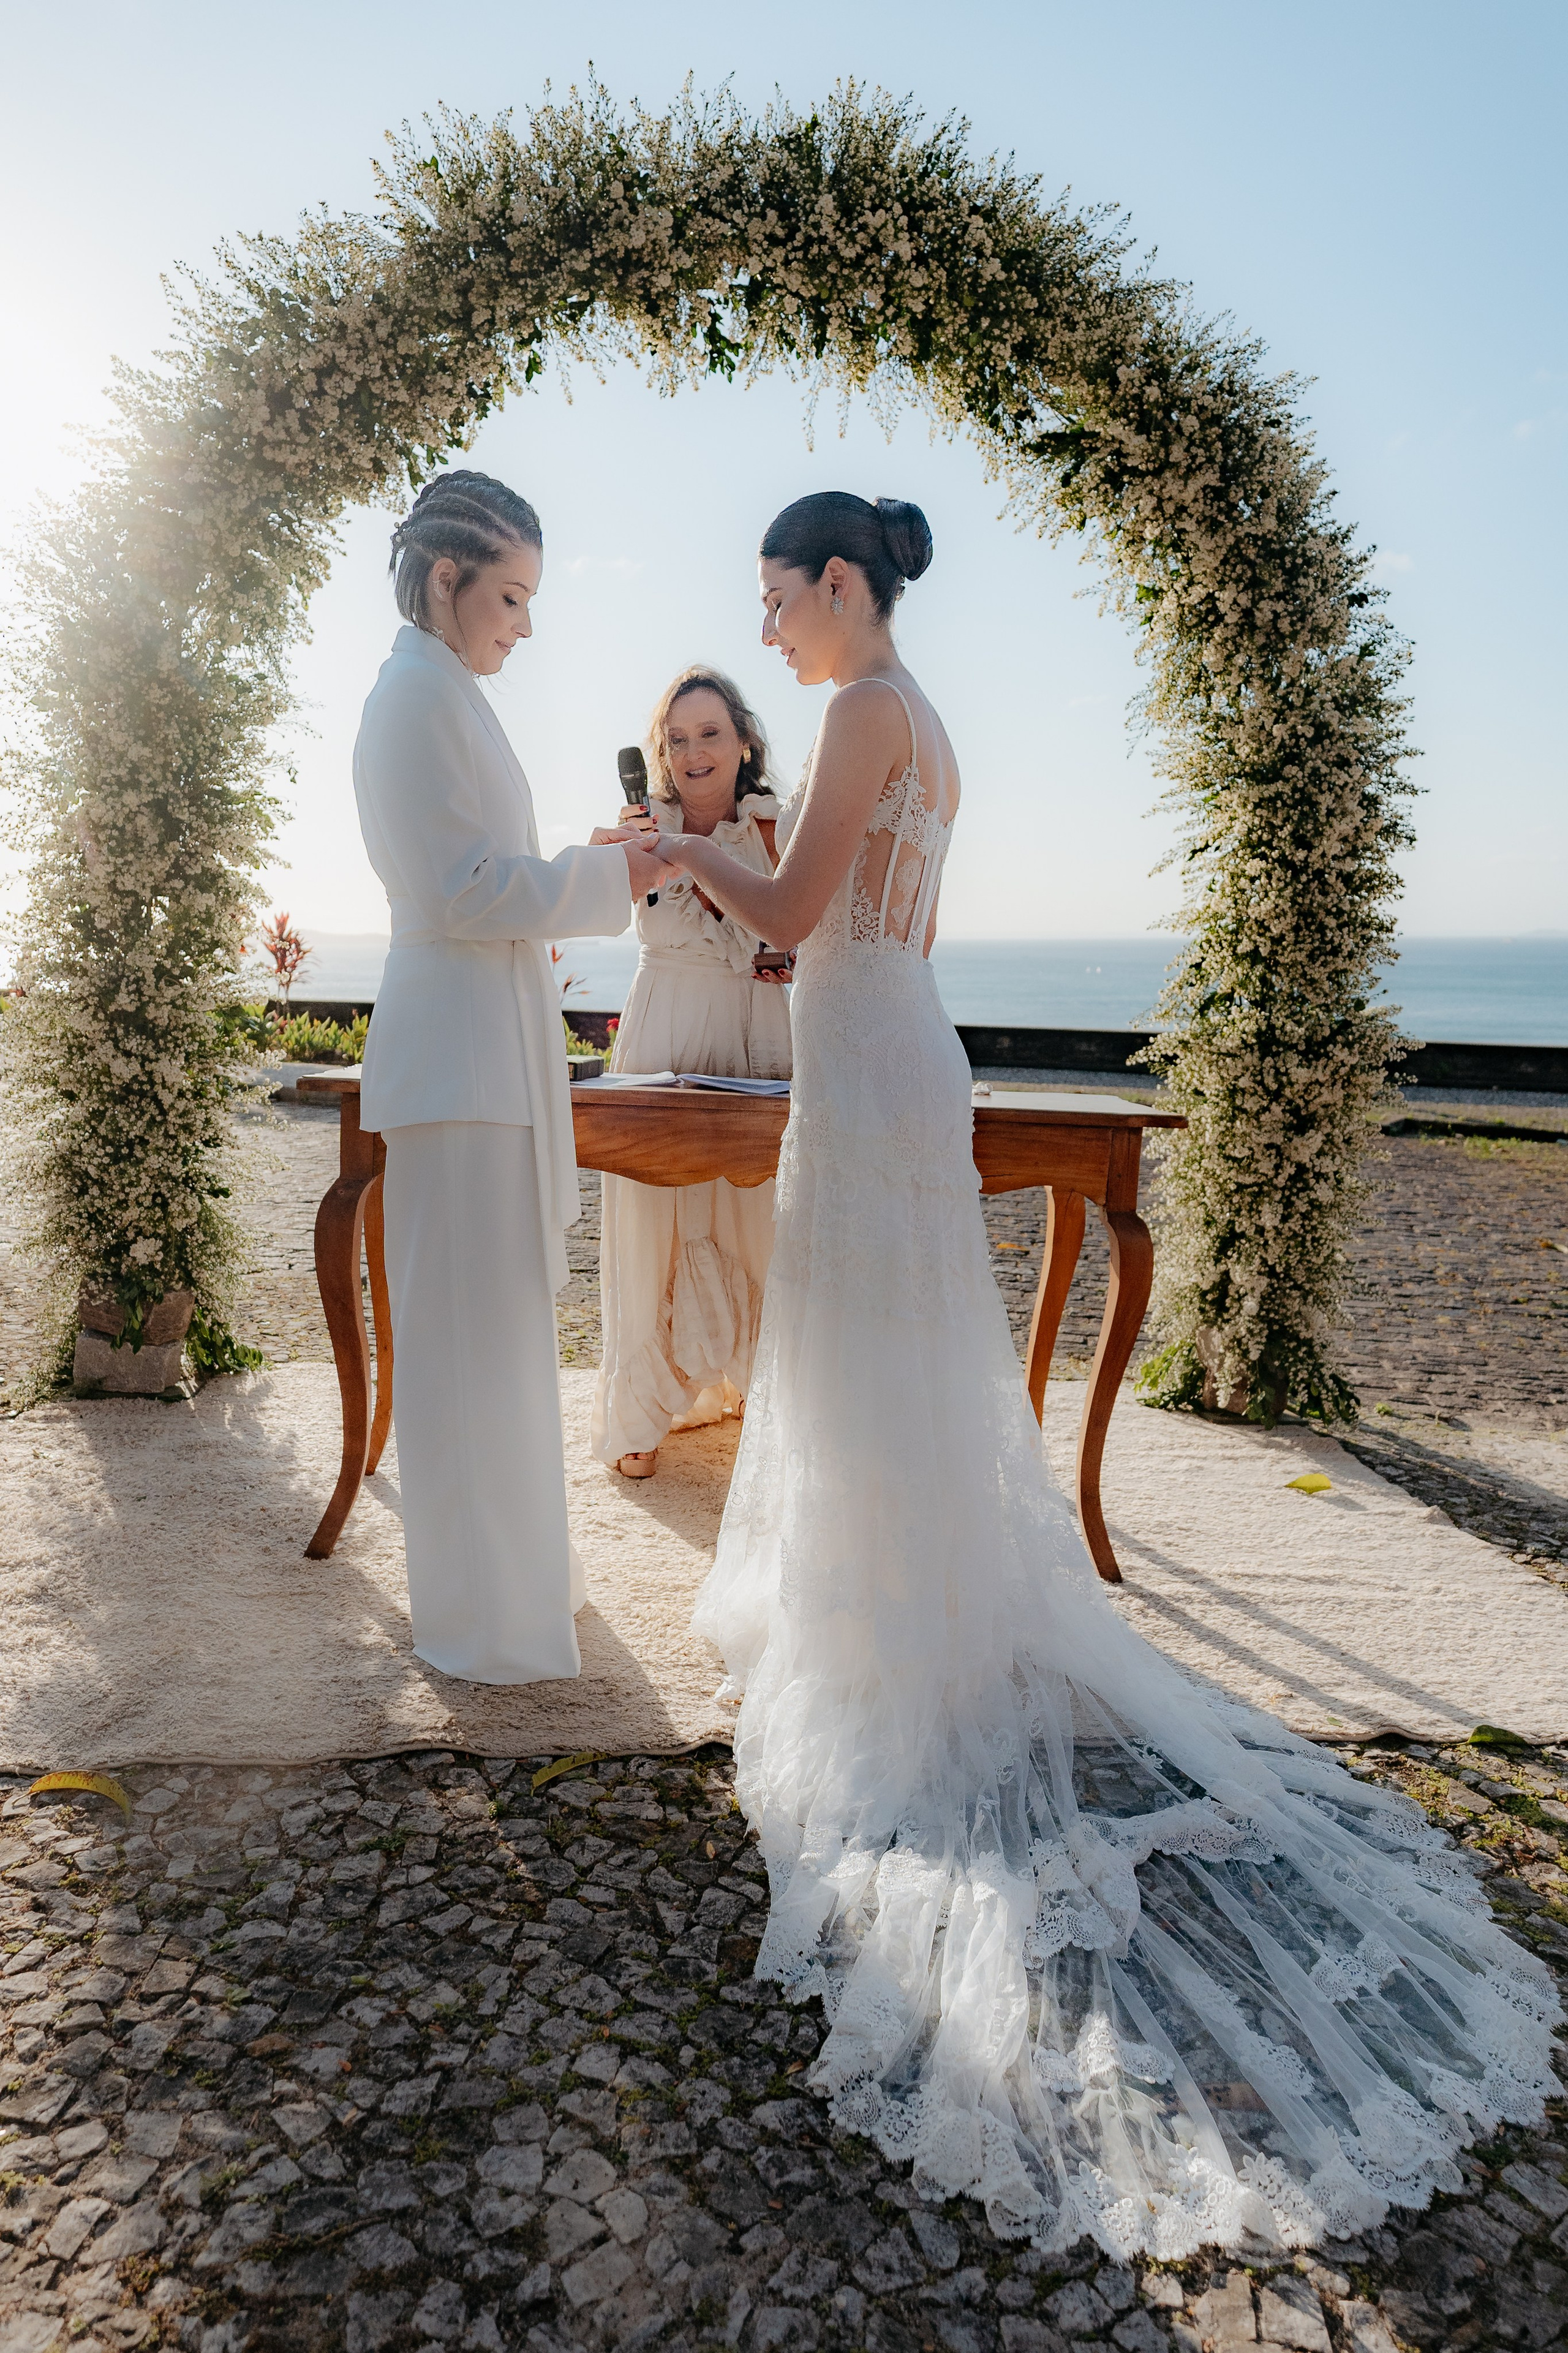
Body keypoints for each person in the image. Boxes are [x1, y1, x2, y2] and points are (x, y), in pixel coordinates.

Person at [643, 489, 1559, 2259]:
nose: (766, 631)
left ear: (840, 585)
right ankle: (906, 1583)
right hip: (891, 1035)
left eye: (775, 599)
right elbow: (839, 921)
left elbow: (798, 896)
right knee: (887, 1347)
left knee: (870, 1344)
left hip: (873, 1041)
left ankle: (889, 1627)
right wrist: (759, 889)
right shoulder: (922, 722)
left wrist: (685, 851)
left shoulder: (861, 711)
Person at [353, 471, 669, 1685]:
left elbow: (489, 876)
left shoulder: (446, 693)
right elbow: (459, 892)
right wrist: (608, 885)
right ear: (445, 579)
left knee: (498, 1343)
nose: (523, 624)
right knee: (463, 1351)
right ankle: (482, 1622)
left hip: (486, 1050)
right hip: (458, 1065)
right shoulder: (411, 700)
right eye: (511, 594)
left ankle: (523, 1588)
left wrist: (590, 870)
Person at [593, 667, 793, 1478]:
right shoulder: (643, 826)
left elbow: (815, 920)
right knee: (655, 1213)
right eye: (677, 739)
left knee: (760, 1217)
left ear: (744, 742)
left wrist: (791, 949)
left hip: (756, 1031)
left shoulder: (777, 828)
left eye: (710, 733)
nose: (693, 751)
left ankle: (759, 1386)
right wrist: (617, 852)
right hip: (666, 1030)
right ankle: (641, 1413)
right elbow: (600, 902)